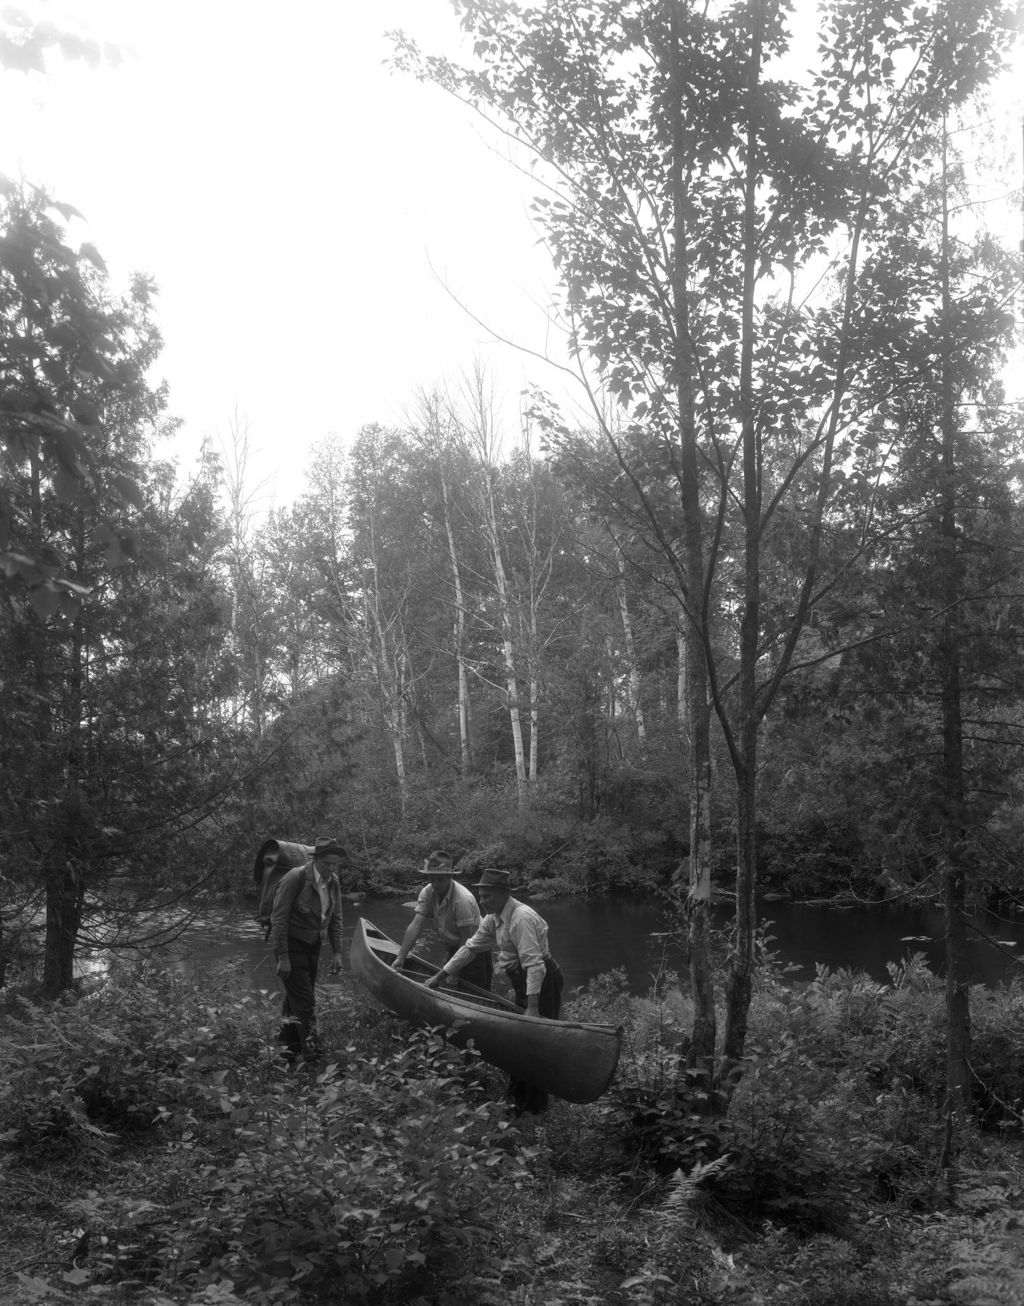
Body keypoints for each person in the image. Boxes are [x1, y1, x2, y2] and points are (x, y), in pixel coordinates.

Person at [425, 867, 563, 1113]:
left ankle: (534, 1108)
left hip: (543, 982)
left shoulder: (521, 918)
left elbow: (536, 966)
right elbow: (471, 948)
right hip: (522, 980)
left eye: (487, 896)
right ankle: (516, 1097)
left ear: (502, 894)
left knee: (536, 1040)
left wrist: (531, 1008)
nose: (481, 900)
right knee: (521, 1038)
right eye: (481, 895)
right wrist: (440, 975)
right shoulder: (493, 918)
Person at [269, 835, 346, 1066]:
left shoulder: (333, 882)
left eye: (335, 864)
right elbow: (279, 919)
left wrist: (337, 953)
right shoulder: (296, 877)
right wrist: (282, 957)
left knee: (296, 1001)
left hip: (312, 946)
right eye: (327, 863)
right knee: (307, 1003)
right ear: (316, 859)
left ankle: (287, 1051)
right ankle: (315, 1059)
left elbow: (337, 918)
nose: (332, 868)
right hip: (291, 947)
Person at [392, 849, 493, 992]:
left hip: (476, 952)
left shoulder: (462, 900)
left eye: (439, 880)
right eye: (431, 879)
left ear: (450, 877)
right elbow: (416, 925)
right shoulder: (427, 892)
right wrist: (400, 957)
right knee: (447, 987)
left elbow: (466, 941)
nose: (435, 884)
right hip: (453, 947)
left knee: (475, 993)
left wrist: (454, 972)